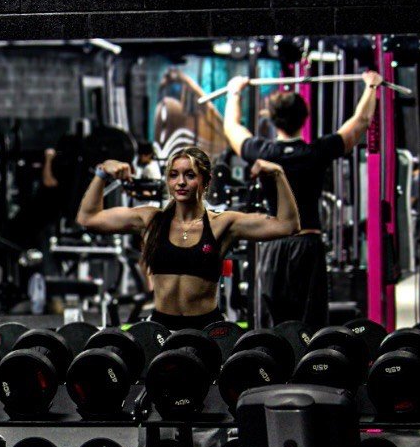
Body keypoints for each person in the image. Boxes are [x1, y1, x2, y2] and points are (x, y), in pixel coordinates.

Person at [222, 70, 384, 331]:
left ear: (273, 121)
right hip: (308, 244)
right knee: (310, 323)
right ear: (305, 118)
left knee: (272, 323)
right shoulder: (315, 152)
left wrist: (234, 91)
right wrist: (371, 87)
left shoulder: (264, 152)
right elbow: (361, 121)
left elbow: (231, 127)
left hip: (274, 244)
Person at [75, 144, 300, 330]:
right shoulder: (150, 221)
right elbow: (88, 218)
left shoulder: (222, 224)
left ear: (205, 181)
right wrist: (102, 173)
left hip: (207, 329)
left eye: (190, 175)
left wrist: (278, 174)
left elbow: (288, 225)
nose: (181, 182)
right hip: (161, 328)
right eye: (174, 175)